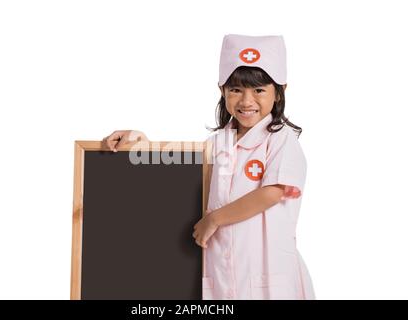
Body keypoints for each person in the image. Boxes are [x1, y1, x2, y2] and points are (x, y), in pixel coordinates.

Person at [103, 34, 315, 300]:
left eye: (259, 90)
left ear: (279, 90)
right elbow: (178, 168)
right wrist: (138, 142)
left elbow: (271, 193)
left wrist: (214, 219)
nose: (246, 101)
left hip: (268, 275)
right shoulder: (218, 144)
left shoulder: (281, 139)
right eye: (235, 89)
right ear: (222, 90)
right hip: (223, 274)